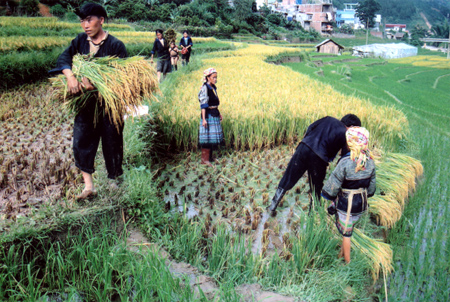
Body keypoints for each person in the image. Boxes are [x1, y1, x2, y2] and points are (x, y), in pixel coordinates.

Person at [49, 3, 127, 200]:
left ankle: (113, 181)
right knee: (82, 140)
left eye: (89, 20)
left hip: (109, 106)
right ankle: (89, 187)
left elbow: (123, 78)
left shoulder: (115, 46)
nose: (85, 25)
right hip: (85, 105)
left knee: (112, 141)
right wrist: (70, 77)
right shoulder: (79, 41)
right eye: (82, 21)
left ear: (101, 20)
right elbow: (64, 58)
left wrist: (97, 86)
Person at [267, 114, 362, 215]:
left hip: (303, 147)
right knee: (316, 188)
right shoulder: (346, 133)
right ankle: (312, 215)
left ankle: (272, 206)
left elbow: (310, 127)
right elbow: (344, 158)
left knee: (288, 178)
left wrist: (307, 141)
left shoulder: (328, 118)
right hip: (319, 158)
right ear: (351, 127)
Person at [322, 127, 376, 263]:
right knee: (349, 229)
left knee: (347, 234)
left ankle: (347, 264)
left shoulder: (345, 162)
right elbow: (372, 186)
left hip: (347, 204)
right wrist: (367, 194)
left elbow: (334, 181)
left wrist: (329, 196)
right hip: (361, 203)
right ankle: (340, 255)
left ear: (350, 142)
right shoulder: (370, 161)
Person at [198, 68, 224, 167]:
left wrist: (219, 113)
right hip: (208, 115)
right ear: (208, 78)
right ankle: (204, 160)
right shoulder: (205, 88)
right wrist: (204, 119)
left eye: (216, 77)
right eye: (213, 77)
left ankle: (209, 158)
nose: (215, 79)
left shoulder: (213, 87)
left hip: (214, 113)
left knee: (211, 138)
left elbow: (214, 103)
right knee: (207, 138)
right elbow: (203, 105)